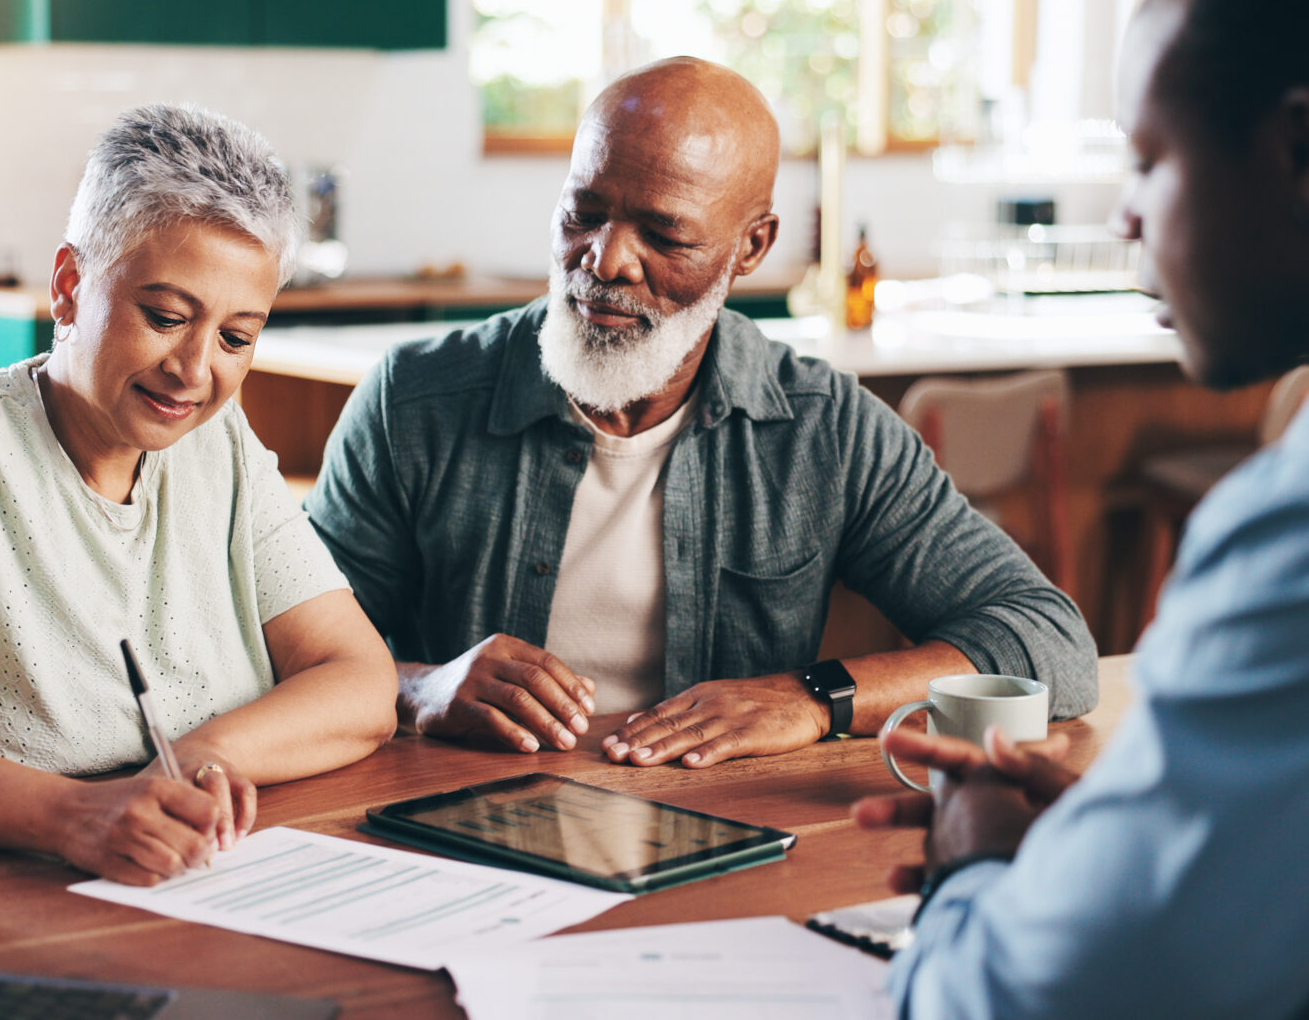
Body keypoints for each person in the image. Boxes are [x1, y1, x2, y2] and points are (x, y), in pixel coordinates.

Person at [857, 0, 1309, 1015]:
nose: (1124, 216)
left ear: (1305, 153)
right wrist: (1134, 845)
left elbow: (1026, 1002)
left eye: (1149, 161)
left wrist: (976, 862)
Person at [305, 58, 1097, 769]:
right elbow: (277, 647)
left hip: (715, 827)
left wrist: (812, 696)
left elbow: (1049, 642)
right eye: (583, 213)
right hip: (459, 820)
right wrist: (421, 687)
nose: (606, 260)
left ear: (750, 248)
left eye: (663, 235)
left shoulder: (824, 428)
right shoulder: (414, 400)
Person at [0, 104, 397, 887]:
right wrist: (72, 816)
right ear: (70, 286)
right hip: (11, 889)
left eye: (235, 337)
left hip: (198, 873)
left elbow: (361, 680)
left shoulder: (221, 446)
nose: (194, 369)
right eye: (166, 316)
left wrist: (198, 760)